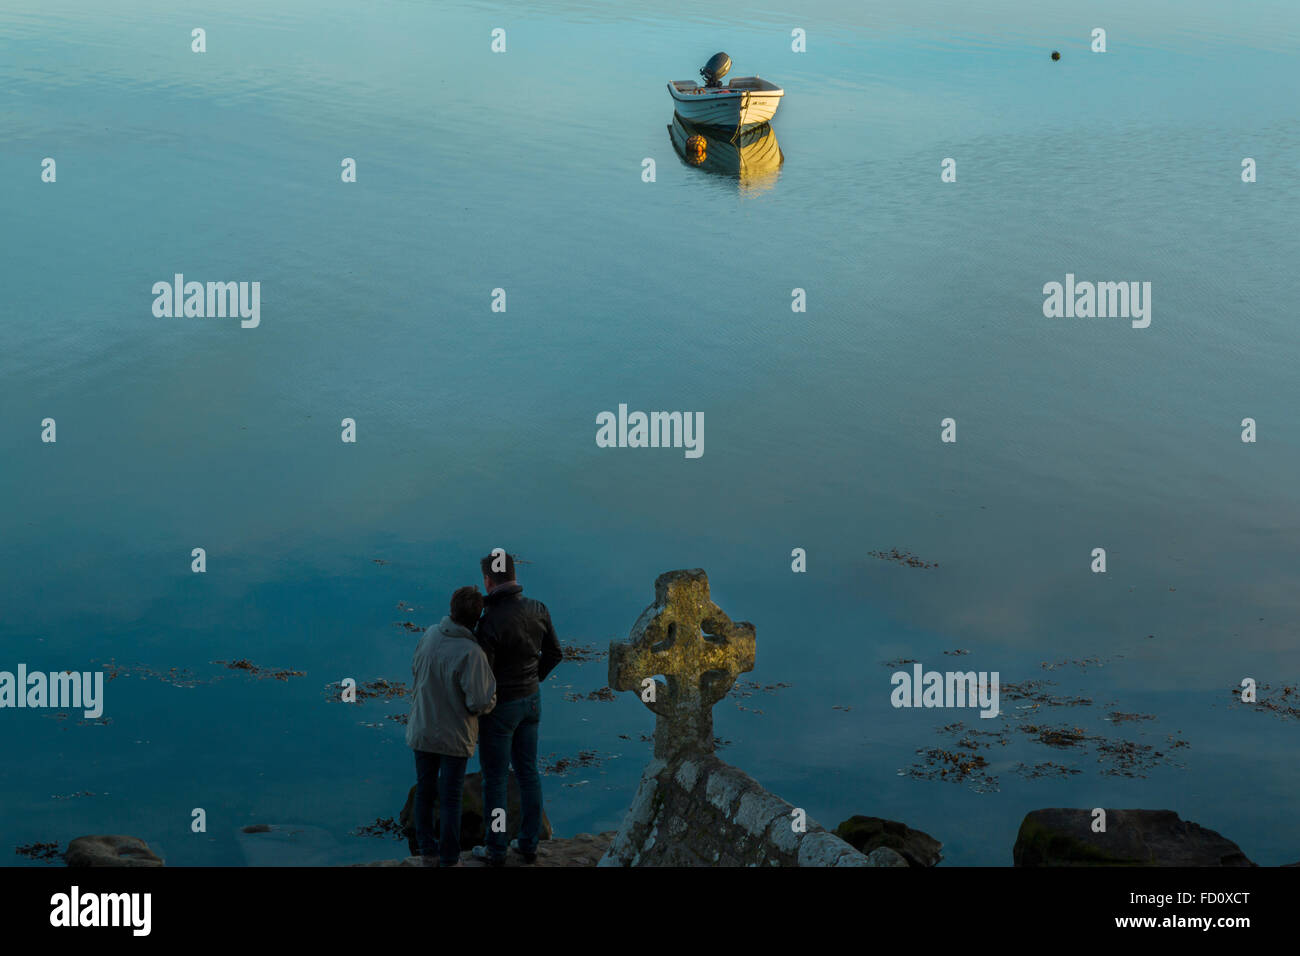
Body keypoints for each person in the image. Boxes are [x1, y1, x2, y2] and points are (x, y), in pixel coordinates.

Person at [471, 551, 563, 865]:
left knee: (495, 780)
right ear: (514, 573)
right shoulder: (538, 608)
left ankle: (496, 848)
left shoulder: (489, 621)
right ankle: (528, 843)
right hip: (531, 701)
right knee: (528, 773)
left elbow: (482, 673)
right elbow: (555, 653)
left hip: (501, 708)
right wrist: (533, 679)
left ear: (487, 579)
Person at [406, 585, 497, 867]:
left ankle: (426, 851)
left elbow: (415, 668)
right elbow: (480, 702)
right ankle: (448, 858)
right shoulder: (472, 653)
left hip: (422, 727)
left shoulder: (430, 634)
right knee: (451, 797)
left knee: (425, 790)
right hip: (454, 736)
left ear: (451, 608)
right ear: (478, 617)